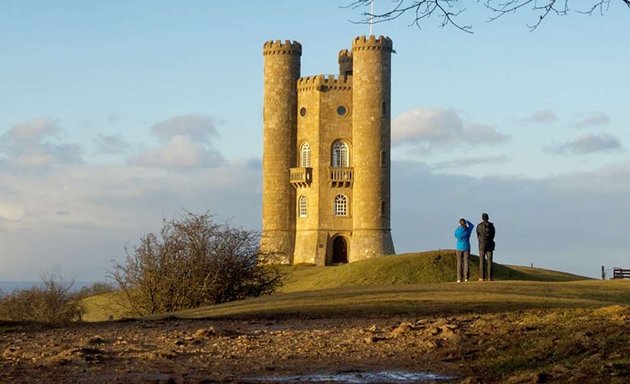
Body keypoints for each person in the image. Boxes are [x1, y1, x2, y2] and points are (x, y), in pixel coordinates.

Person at [476, 213, 496, 281]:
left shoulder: (479, 226)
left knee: (482, 261)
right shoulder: (491, 226)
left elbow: (477, 235)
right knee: (490, 261)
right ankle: (490, 277)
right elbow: (493, 235)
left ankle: (482, 277)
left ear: (482, 218)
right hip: (490, 244)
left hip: (481, 245)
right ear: (488, 218)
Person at [454, 218, 474, 283]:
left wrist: (459, 226)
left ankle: (459, 279)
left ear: (460, 223)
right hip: (466, 247)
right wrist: (468, 221)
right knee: (466, 263)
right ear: (465, 223)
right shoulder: (468, 230)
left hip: (459, 248)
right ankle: (466, 278)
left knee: (459, 263)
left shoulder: (458, 230)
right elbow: (472, 225)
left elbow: (455, 235)